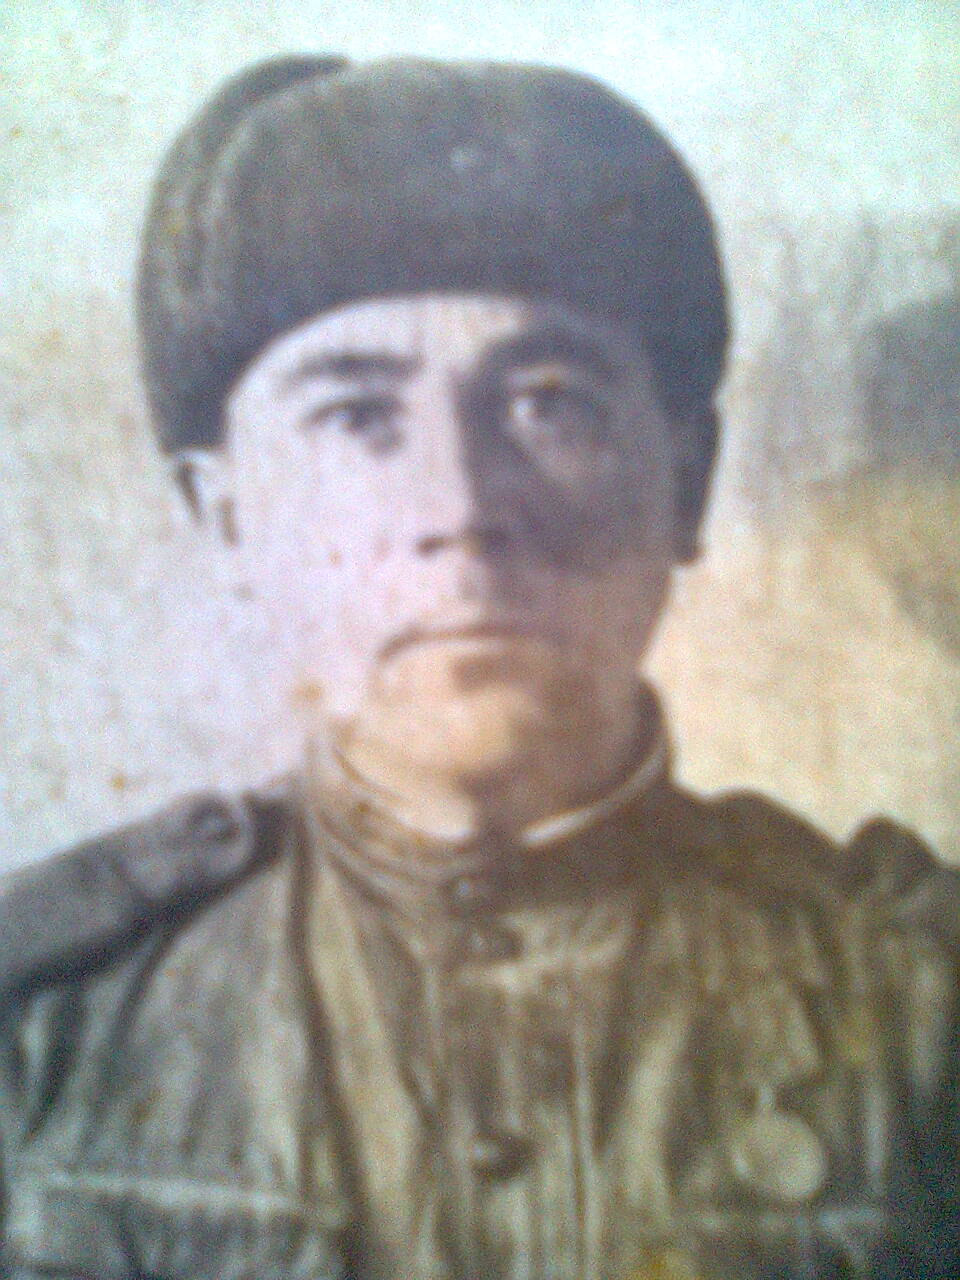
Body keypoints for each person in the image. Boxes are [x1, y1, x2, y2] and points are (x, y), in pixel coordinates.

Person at [1, 55, 957, 1280]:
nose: (460, 508)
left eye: (550, 402)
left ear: (688, 479)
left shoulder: (919, 1012)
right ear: (224, 515)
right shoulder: (52, 1028)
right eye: (357, 417)